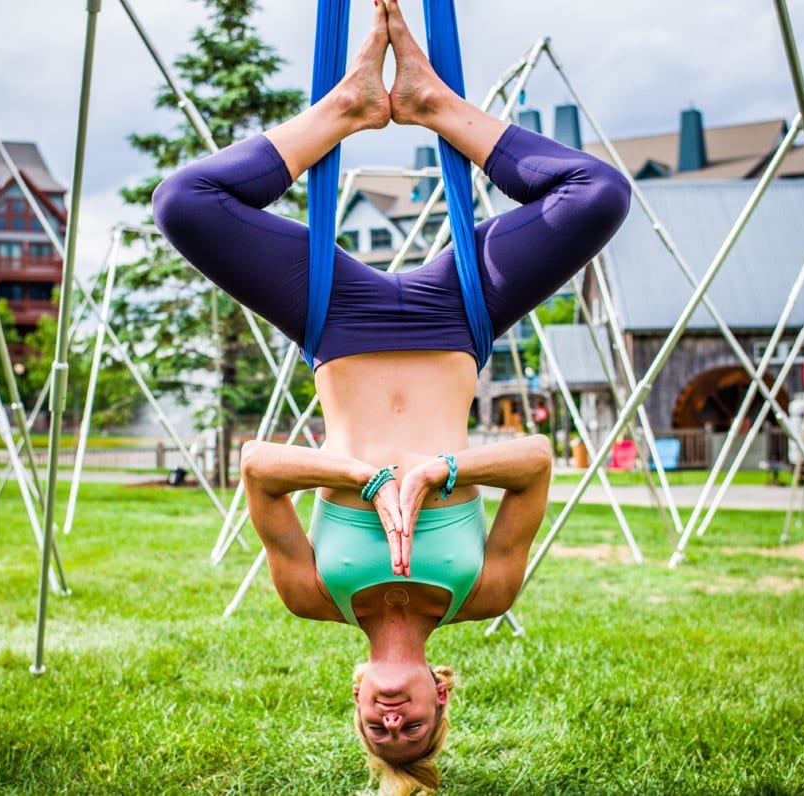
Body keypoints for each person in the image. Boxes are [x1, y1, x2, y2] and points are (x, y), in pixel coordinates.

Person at [151, 2, 630, 793]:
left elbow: (260, 468)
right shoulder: (484, 593)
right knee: (598, 194)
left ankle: (345, 109)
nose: (395, 722)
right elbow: (538, 463)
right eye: (415, 731)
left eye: (381, 731)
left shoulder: (313, 597)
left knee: (183, 204)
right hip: (458, 317)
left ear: (357, 698)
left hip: (335, 321)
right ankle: (434, 104)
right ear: (443, 693)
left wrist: (363, 478)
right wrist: (437, 471)